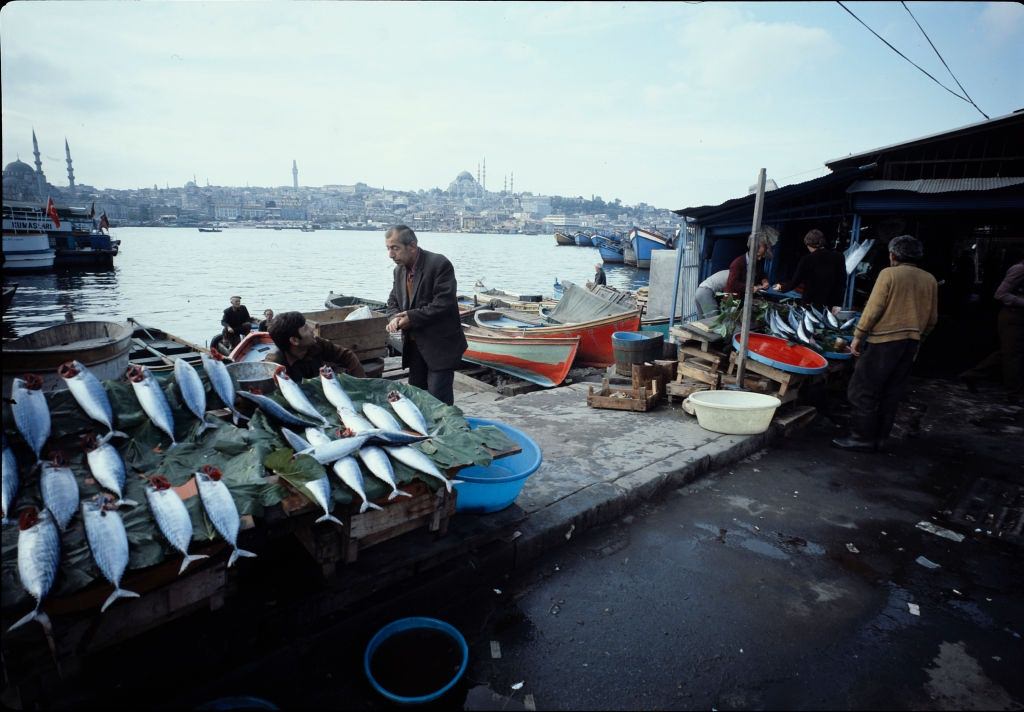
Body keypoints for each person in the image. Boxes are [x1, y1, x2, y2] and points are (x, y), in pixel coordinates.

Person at [832, 235, 938, 452]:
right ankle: (880, 438)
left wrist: (858, 336)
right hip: (910, 343)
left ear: (893, 255)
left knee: (862, 389)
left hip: (884, 341)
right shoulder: (930, 279)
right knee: (891, 391)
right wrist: (918, 341)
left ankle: (861, 437)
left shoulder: (889, 274)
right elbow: (933, 318)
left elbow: (874, 308)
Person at [385, 225, 467, 406]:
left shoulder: (439, 264)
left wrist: (411, 318)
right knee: (417, 398)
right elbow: (392, 302)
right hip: (415, 349)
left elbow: (443, 303)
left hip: (440, 347)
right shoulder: (399, 271)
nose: (390, 255)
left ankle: (445, 434)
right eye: (388, 249)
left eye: (395, 248)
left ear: (412, 246)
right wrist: (394, 319)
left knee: (439, 401)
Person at [959, 249, 1024, 401]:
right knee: (1013, 355)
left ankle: (972, 375)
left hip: (1018, 315)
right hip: (1013, 315)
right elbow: (1000, 294)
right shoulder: (1020, 269)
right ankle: (1014, 393)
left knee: (1009, 352)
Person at [266, 311, 365, 381]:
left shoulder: (316, 344)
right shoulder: (275, 365)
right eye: (305, 328)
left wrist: (361, 383)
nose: (312, 329)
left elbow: (347, 355)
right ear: (294, 340)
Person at [773, 229, 847, 311]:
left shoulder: (807, 259)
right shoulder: (839, 257)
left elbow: (795, 282)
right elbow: (842, 282)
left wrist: (781, 288)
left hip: (810, 303)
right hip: (831, 304)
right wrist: (838, 304)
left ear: (808, 244)